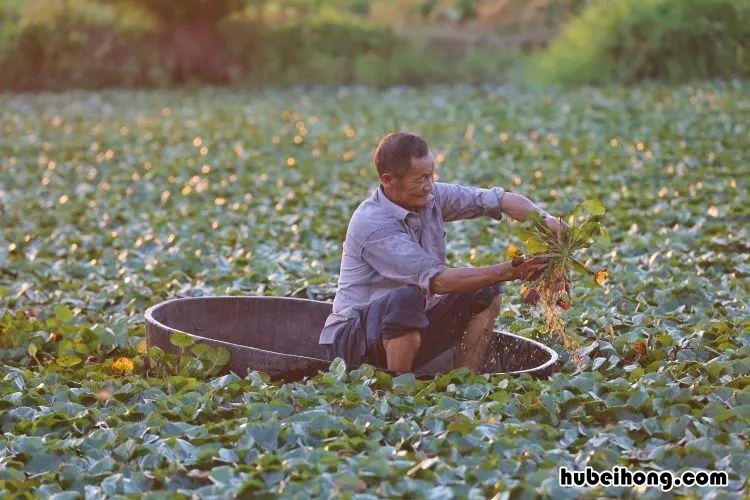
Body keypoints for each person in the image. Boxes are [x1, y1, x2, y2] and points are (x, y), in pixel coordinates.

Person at [319, 132, 565, 373]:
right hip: (353, 342)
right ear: (388, 180)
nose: (428, 186)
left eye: (431, 176)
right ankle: (397, 393)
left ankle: (465, 381)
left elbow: (500, 201)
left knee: (484, 290)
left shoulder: (430, 196)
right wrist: (513, 270)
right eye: (419, 179)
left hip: (408, 323)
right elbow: (439, 281)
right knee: (406, 298)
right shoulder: (373, 224)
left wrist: (546, 219)